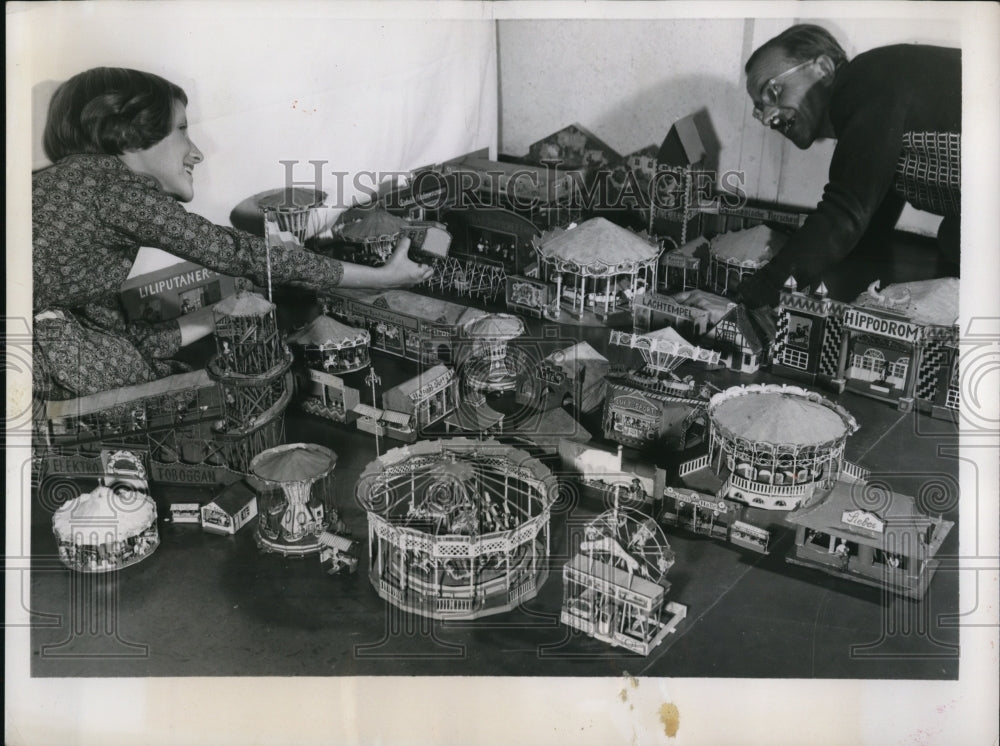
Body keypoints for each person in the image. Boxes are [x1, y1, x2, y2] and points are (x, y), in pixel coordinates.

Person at [33, 67, 434, 399]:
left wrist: (216, 315)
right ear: (129, 134)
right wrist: (382, 278)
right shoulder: (112, 188)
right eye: (182, 130)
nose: (197, 152)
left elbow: (122, 343)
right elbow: (238, 253)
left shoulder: (86, 193)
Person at [735, 25, 961, 310]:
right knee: (956, 238)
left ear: (824, 68)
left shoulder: (866, 78)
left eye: (773, 92)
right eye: (759, 108)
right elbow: (866, 234)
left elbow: (844, 214)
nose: (768, 117)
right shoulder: (873, 111)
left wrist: (747, 301)